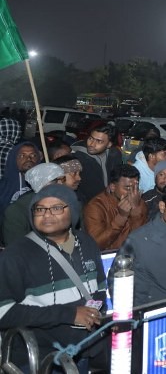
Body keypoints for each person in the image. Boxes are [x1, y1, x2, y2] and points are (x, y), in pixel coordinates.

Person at [0, 185, 107, 371]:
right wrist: (69, 314)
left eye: (57, 208)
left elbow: (101, 288)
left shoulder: (87, 243)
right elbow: (4, 312)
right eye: (40, 209)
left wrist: (93, 312)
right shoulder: (16, 254)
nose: (47, 214)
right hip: (41, 358)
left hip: (85, 349)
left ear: (72, 211)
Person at [82, 165, 147, 250]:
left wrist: (135, 210)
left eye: (135, 188)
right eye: (128, 188)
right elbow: (97, 244)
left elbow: (142, 238)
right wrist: (121, 217)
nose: (133, 193)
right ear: (113, 187)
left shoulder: (138, 202)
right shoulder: (95, 207)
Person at [3, 163, 67, 246]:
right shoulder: (17, 211)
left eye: (63, 180)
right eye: (57, 180)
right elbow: (16, 249)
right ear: (41, 182)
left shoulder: (68, 202)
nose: (62, 184)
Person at [0, 141, 41, 241]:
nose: (28, 159)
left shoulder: (45, 183)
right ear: (14, 159)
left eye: (33, 155)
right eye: (22, 156)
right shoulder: (3, 186)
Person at [71, 124, 122, 203]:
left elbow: (116, 177)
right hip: (86, 204)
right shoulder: (76, 157)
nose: (92, 144)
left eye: (99, 141)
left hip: (109, 202)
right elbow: (63, 181)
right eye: (91, 138)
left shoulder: (115, 154)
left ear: (109, 144)